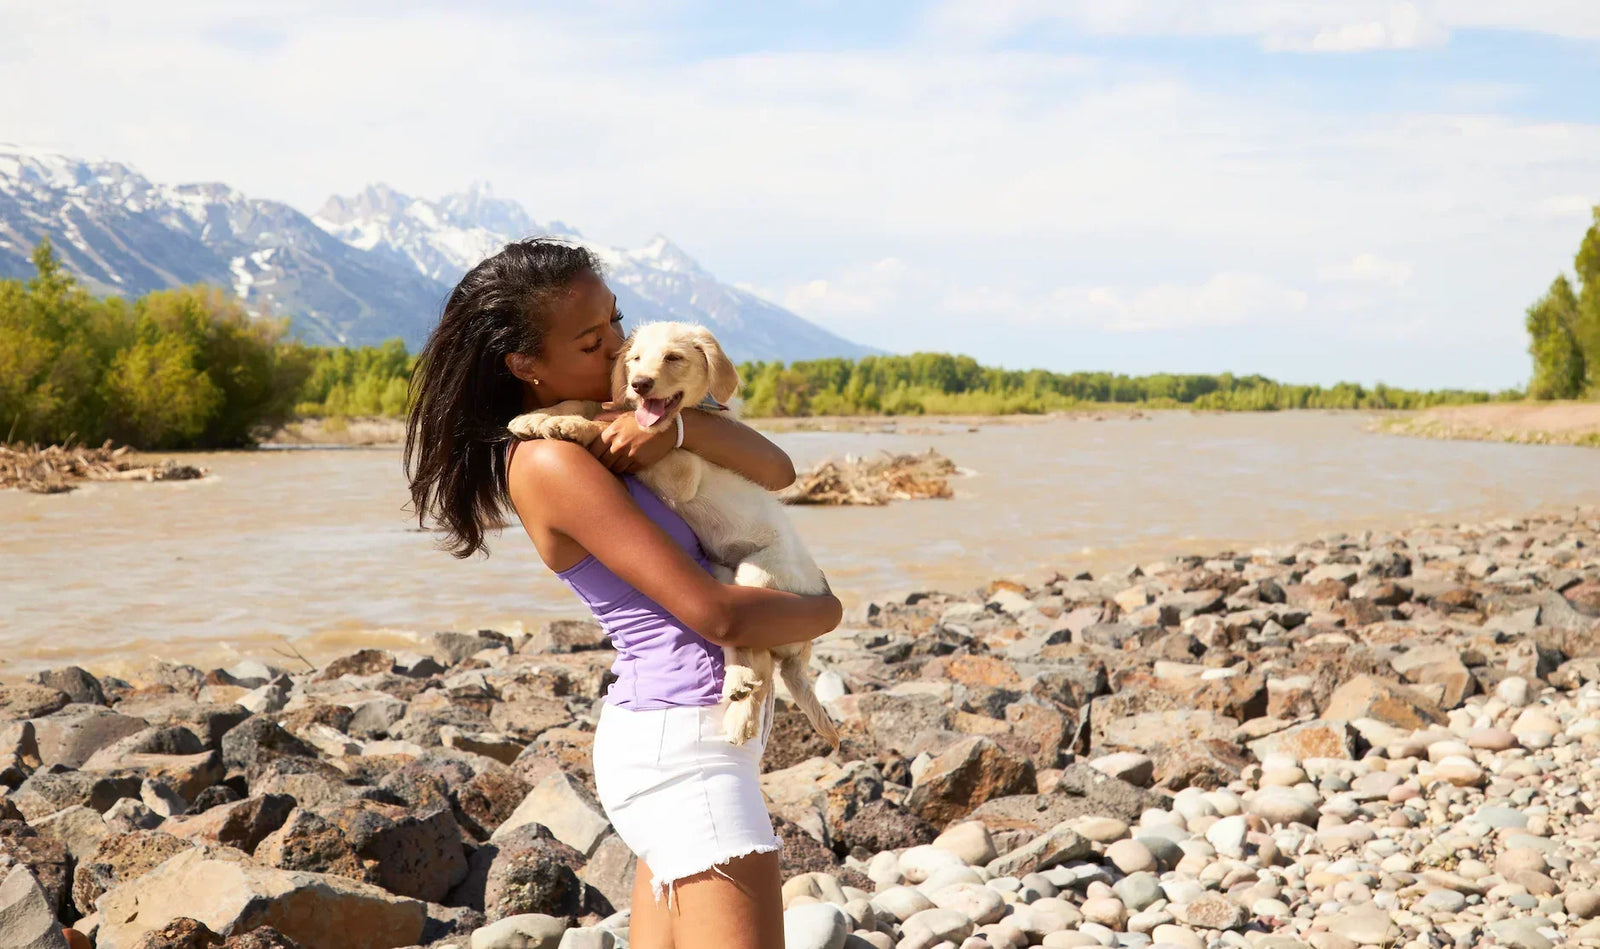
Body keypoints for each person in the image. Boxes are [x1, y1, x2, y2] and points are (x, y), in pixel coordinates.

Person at [405, 238, 842, 949]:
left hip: (680, 733)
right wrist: (828, 609)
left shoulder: (620, 427)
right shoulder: (551, 460)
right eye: (590, 339)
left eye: (616, 322)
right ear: (525, 364)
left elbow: (777, 468)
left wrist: (679, 426)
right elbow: (713, 610)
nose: (620, 347)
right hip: (683, 745)